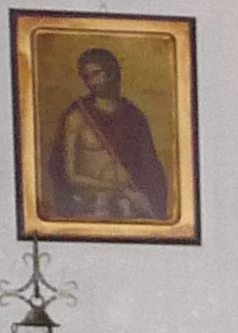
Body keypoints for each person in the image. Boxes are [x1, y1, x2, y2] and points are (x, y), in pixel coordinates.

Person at [47, 44, 169, 223]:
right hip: (92, 204)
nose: (92, 82)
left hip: (130, 202)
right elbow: (68, 174)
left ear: (111, 72)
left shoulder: (133, 116)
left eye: (96, 74)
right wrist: (116, 187)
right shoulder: (78, 115)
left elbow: (149, 165)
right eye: (86, 77)